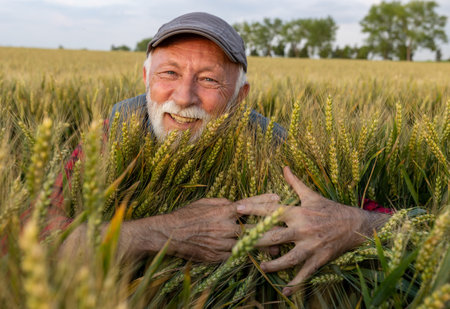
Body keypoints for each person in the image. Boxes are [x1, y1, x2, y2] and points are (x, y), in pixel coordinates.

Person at [60, 12, 390, 297]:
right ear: (146, 78)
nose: (185, 96)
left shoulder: (276, 148)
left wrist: (353, 223)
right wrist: (165, 231)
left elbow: (408, 225)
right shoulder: (109, 137)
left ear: (240, 95)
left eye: (208, 79)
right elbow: (29, 238)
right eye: (169, 73)